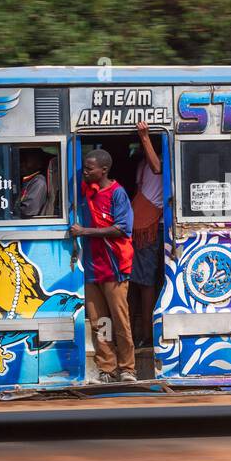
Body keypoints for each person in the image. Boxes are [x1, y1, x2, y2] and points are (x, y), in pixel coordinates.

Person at [71, 148, 136, 383]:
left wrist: (84, 231)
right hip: (92, 269)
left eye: (89, 168)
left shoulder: (118, 194)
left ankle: (128, 368)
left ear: (104, 170)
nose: (85, 172)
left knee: (120, 320)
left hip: (115, 267)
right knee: (101, 323)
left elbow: (122, 228)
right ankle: (107, 369)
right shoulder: (87, 191)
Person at [129, 121, 163, 348]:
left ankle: (149, 335)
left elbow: (157, 167)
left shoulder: (158, 162)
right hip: (143, 225)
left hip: (151, 227)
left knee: (145, 282)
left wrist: (145, 136)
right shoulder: (141, 164)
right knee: (140, 281)